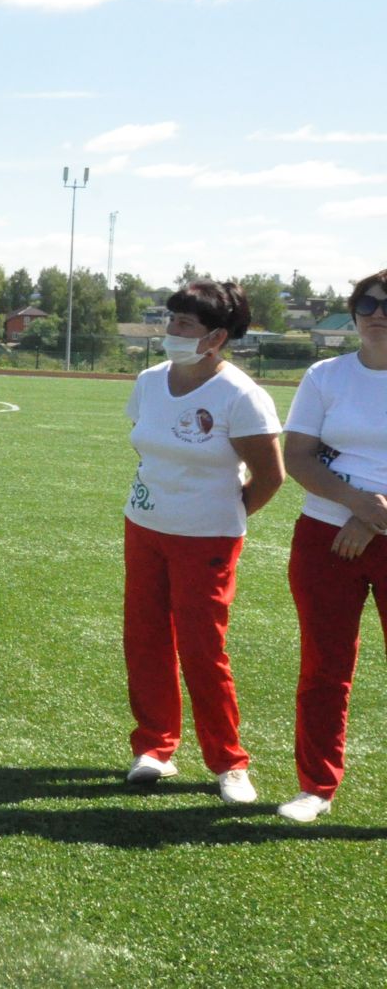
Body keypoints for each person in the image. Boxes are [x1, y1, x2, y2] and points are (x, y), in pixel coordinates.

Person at [118, 280, 283, 803]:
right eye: (171, 320)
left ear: (216, 337)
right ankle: (155, 748)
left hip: (207, 538)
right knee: (145, 638)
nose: (172, 331)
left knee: (202, 647)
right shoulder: (148, 381)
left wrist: (221, 515)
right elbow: (148, 448)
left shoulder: (241, 395)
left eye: (184, 324)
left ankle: (229, 764)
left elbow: (270, 476)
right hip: (144, 527)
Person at [275, 267, 387, 824]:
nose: (377, 314)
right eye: (367, 302)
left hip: (368, 529)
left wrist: (371, 518)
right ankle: (315, 786)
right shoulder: (326, 375)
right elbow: (297, 456)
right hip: (324, 535)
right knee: (325, 666)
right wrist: (357, 504)